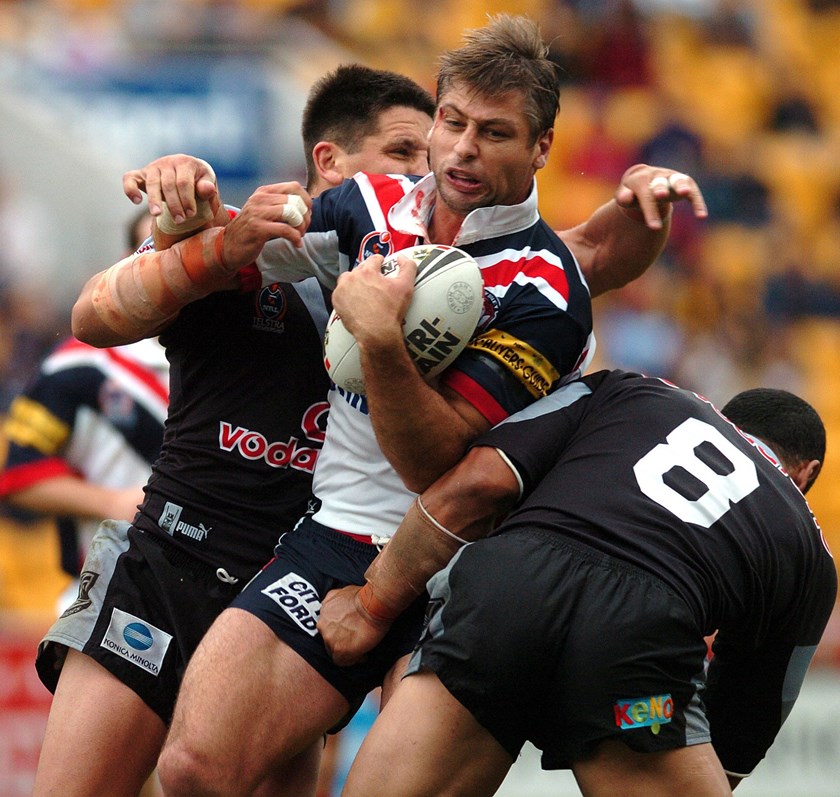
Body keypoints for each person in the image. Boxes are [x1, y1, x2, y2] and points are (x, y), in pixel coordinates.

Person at [106, 15, 709, 797]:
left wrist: (383, 342)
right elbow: (237, 261)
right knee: (195, 767)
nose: (461, 148)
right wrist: (184, 206)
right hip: (338, 534)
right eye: (452, 121)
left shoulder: (545, 291)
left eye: (494, 132)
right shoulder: (368, 200)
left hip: (466, 566)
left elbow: (434, 460)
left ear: (540, 149)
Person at [32, 65, 436, 797]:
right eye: (405, 153)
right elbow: (92, 316)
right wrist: (186, 207)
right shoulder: (245, 246)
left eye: (430, 159)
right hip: (169, 565)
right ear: (330, 163)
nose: (424, 175)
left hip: (297, 597)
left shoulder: (436, 291)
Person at [317, 371, 837, 796]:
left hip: (504, 598)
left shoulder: (634, 390)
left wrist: (370, 606)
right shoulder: (809, 549)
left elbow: (481, 482)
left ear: (721, 417)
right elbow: (751, 711)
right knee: (646, 719)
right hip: (632, 668)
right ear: (807, 472)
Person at [0, 209, 167, 613]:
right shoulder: (79, 366)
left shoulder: (234, 362)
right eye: (158, 249)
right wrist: (111, 503)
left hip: (212, 598)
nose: (176, 265)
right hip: (103, 593)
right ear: (128, 264)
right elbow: (18, 474)